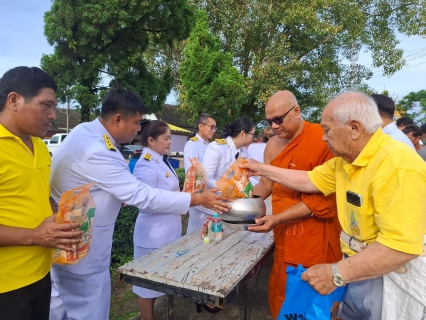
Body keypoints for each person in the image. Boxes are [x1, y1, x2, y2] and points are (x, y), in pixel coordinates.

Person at [241, 91, 426, 320]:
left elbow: (399, 247)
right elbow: (307, 180)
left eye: (327, 130)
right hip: (355, 264)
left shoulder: (396, 166)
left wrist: (335, 272)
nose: (323, 138)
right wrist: (260, 169)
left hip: (385, 273)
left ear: (354, 128)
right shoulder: (346, 161)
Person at [49, 88, 230, 320]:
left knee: (60, 308)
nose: (138, 129)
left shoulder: (85, 132)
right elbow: (142, 196)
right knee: (88, 311)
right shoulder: (98, 149)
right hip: (84, 251)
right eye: (136, 123)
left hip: (72, 244)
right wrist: (196, 199)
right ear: (117, 119)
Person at [247, 90, 341, 319]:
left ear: (297, 111)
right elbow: (265, 186)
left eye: (279, 119)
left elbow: (323, 199)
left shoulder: (323, 139)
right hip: (283, 232)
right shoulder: (272, 145)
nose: (274, 126)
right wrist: (243, 200)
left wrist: (277, 218)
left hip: (314, 232)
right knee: (281, 293)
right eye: (269, 122)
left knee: (312, 297)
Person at [0, 66, 82, 320]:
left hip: (41, 273)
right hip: (6, 285)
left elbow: (41, 196)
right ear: (14, 100)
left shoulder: (39, 146)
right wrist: (35, 235)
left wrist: (62, 223)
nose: (52, 115)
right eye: (45, 105)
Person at [131, 120, 183, 320]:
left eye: (170, 138)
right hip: (152, 234)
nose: (170, 142)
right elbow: (147, 203)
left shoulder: (160, 160)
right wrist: (184, 200)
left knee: (164, 280)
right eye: (166, 138)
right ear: (151, 140)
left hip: (168, 231)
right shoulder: (145, 165)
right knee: (146, 283)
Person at [187, 116, 255, 235]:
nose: (253, 138)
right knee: (200, 240)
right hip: (206, 207)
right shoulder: (217, 147)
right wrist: (229, 189)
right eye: (252, 134)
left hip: (225, 206)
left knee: (219, 242)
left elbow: (243, 177)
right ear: (243, 133)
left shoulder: (243, 152)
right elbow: (206, 178)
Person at [184, 113, 217, 236]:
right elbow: (192, 173)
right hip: (199, 197)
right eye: (211, 127)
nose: (213, 130)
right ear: (201, 126)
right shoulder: (192, 144)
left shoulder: (209, 145)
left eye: (215, 128)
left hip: (208, 196)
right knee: (197, 234)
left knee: (207, 234)